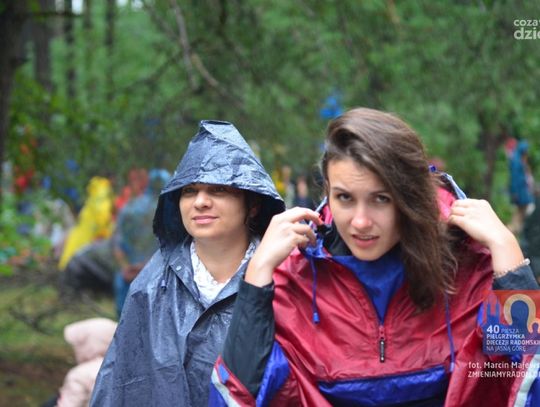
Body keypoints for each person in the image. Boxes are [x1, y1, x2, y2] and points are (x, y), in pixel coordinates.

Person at [210, 108, 540, 406]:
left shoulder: (467, 264)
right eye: (345, 198)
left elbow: (521, 381)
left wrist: (510, 262)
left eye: (380, 199)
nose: (360, 222)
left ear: (410, 196)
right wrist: (257, 275)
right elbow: (240, 394)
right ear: (327, 192)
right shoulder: (294, 274)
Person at [90, 120, 285, 407]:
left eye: (218, 190)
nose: (200, 202)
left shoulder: (286, 278)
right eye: (190, 191)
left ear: (253, 203)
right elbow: (118, 385)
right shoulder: (152, 286)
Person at [112, 168, 171, 316]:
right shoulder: (171, 212)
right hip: (158, 278)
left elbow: (117, 245)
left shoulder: (129, 208)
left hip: (128, 275)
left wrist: (126, 267)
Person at [508, 140, 535, 235]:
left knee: (522, 211)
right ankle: (512, 230)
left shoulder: (520, 159)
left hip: (523, 191)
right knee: (519, 213)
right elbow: (515, 178)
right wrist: (515, 192)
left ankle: (516, 229)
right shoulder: (516, 160)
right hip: (519, 191)